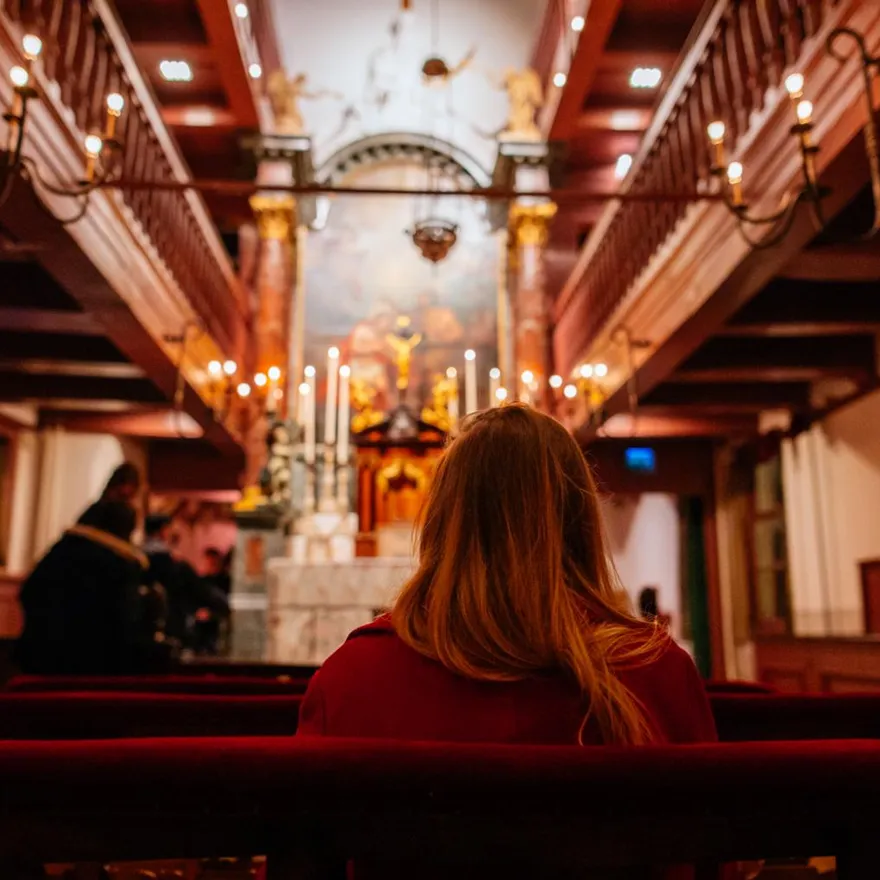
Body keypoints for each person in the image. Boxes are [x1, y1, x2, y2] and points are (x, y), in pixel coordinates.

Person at [298, 405, 716, 745]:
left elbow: (307, 843)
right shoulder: (658, 672)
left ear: (442, 520)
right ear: (578, 519)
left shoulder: (354, 677)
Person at [14, 500, 166, 675]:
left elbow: (29, 594)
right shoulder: (119, 565)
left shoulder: (59, 553)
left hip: (40, 663)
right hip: (96, 670)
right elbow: (125, 622)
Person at [143, 515, 229, 653]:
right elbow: (206, 593)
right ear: (163, 531)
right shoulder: (174, 565)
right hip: (174, 631)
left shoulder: (136, 561)